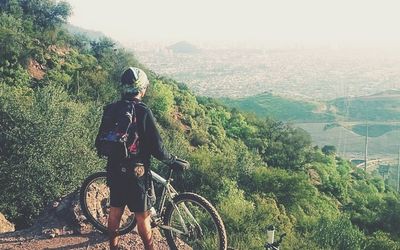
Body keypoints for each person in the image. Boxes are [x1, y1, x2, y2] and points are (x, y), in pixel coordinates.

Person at [96, 67, 189, 250]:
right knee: (142, 217)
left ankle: (113, 247)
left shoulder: (112, 109)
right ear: (141, 89)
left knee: (115, 210)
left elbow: (100, 140)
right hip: (137, 172)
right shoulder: (143, 111)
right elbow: (157, 147)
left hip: (114, 168)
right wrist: (172, 161)